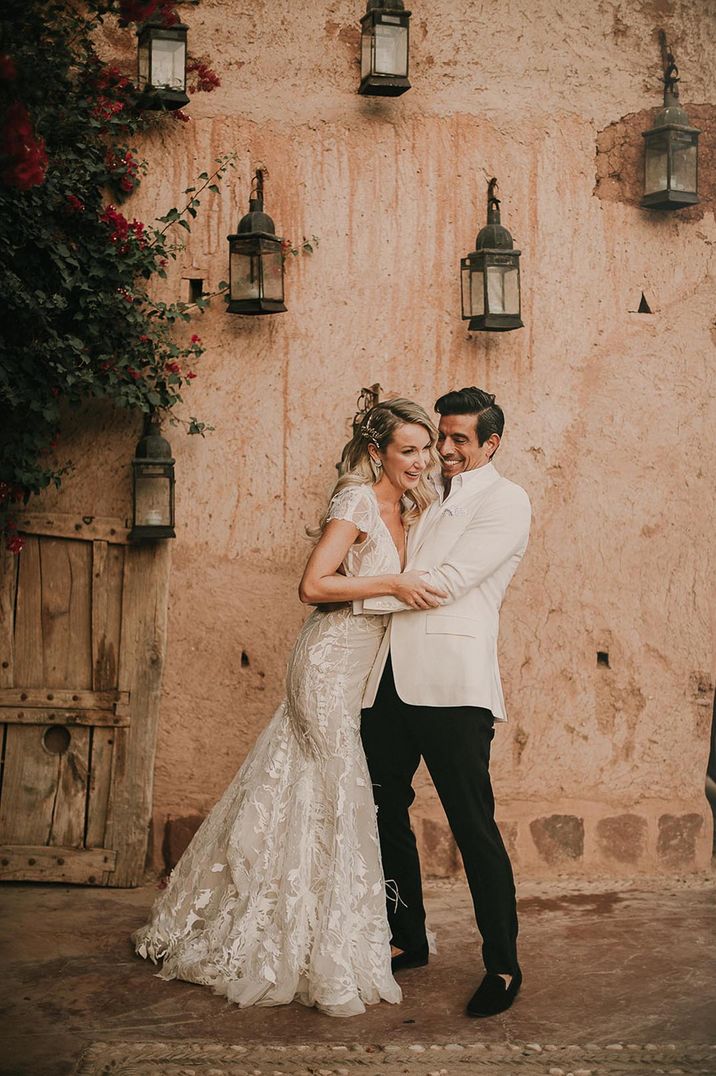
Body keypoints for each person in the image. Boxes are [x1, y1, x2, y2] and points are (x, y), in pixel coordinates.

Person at [133, 398, 447, 1018]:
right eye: (408, 449)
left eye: (426, 449)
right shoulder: (356, 500)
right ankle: (307, 941)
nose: (421, 460)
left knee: (311, 789)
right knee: (337, 788)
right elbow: (314, 585)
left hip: (366, 667)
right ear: (378, 450)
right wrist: (391, 583)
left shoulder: (414, 504)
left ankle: (320, 926)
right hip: (328, 662)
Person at [358, 386, 531, 1018]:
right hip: (389, 684)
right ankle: (406, 936)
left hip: (455, 688)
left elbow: (448, 585)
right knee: (381, 809)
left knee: (471, 825)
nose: (447, 450)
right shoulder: (426, 499)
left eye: (461, 439)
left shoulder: (507, 502)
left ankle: (504, 964)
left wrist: (343, 594)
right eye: (442, 436)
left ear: (492, 443)